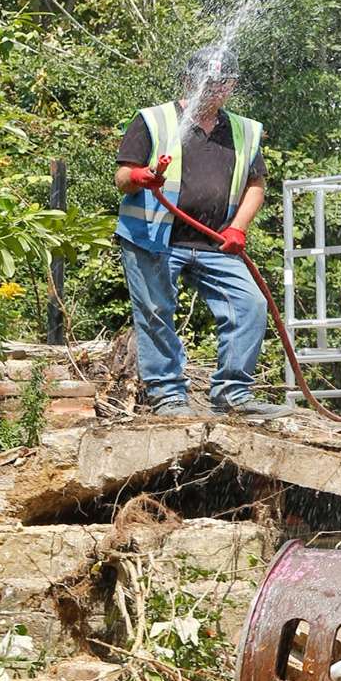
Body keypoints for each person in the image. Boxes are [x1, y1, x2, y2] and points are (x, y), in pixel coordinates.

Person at [114, 47, 294, 419]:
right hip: (154, 238)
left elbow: (255, 185)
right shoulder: (153, 120)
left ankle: (232, 394)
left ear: (232, 85)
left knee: (250, 304)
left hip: (215, 242)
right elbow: (121, 178)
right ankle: (167, 397)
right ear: (188, 81)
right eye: (207, 82)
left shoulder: (243, 131)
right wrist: (140, 177)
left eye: (222, 83)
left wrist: (238, 229)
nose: (214, 89)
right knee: (156, 310)